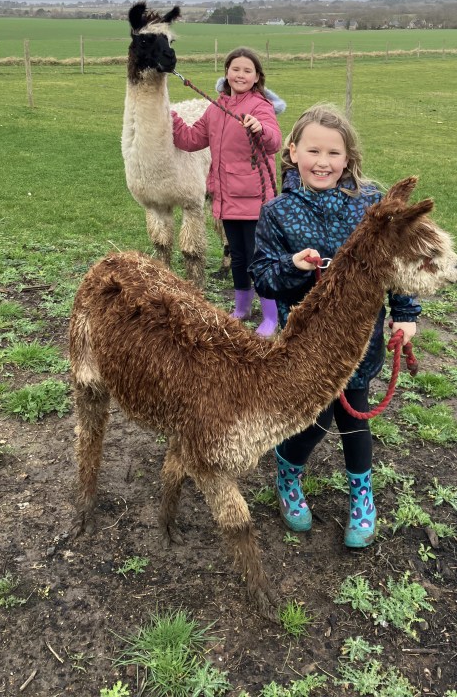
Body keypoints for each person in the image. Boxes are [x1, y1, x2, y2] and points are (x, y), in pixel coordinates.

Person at [249, 104, 421, 547]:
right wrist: (293, 265)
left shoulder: (371, 204)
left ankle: (362, 494)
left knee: (354, 413)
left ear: (348, 158)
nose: (322, 162)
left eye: (333, 152)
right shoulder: (278, 213)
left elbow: (398, 263)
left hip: (360, 340)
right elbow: (264, 275)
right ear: (292, 152)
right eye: (313, 151)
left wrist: (405, 313)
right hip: (307, 344)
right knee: (315, 414)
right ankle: (288, 474)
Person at [171, 47, 282, 337]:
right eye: (235, 69)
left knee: (259, 258)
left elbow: (274, 141)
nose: (240, 75)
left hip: (255, 198)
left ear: (257, 76)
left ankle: (271, 316)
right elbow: (191, 139)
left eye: (247, 70)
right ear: (227, 73)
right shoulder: (215, 109)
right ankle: (242, 308)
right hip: (226, 197)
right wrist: (168, 115)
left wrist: (260, 128)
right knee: (238, 257)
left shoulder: (261, 106)